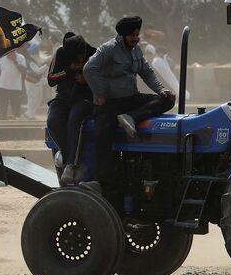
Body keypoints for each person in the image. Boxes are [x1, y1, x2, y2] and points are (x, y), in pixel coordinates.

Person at [83, 16, 175, 190]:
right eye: (132, 35)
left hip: (131, 99)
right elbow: (89, 69)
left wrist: (161, 89)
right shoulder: (108, 49)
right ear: (123, 35)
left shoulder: (136, 50)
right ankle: (99, 182)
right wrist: (99, 93)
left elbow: (146, 72)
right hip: (110, 103)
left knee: (167, 100)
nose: (135, 38)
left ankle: (131, 117)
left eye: (137, 35)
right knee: (103, 139)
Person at [47, 33, 96, 168]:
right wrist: (68, 70)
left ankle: (71, 164)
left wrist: (87, 79)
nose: (79, 60)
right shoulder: (60, 53)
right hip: (63, 97)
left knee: (74, 119)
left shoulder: (94, 54)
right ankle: (69, 156)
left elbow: (104, 78)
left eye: (81, 57)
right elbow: (51, 79)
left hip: (84, 97)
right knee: (53, 121)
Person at [0, 49, 25, 120]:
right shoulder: (1, 58)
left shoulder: (21, 57)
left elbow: (24, 72)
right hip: (3, 86)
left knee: (16, 110)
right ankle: (2, 122)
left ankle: (16, 122)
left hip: (16, 87)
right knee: (2, 109)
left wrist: (15, 61)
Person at [22, 41, 47, 120]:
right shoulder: (30, 61)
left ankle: (31, 113)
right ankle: (29, 114)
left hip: (37, 82)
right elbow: (38, 71)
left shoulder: (36, 60)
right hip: (30, 82)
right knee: (32, 98)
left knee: (38, 98)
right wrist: (46, 65)